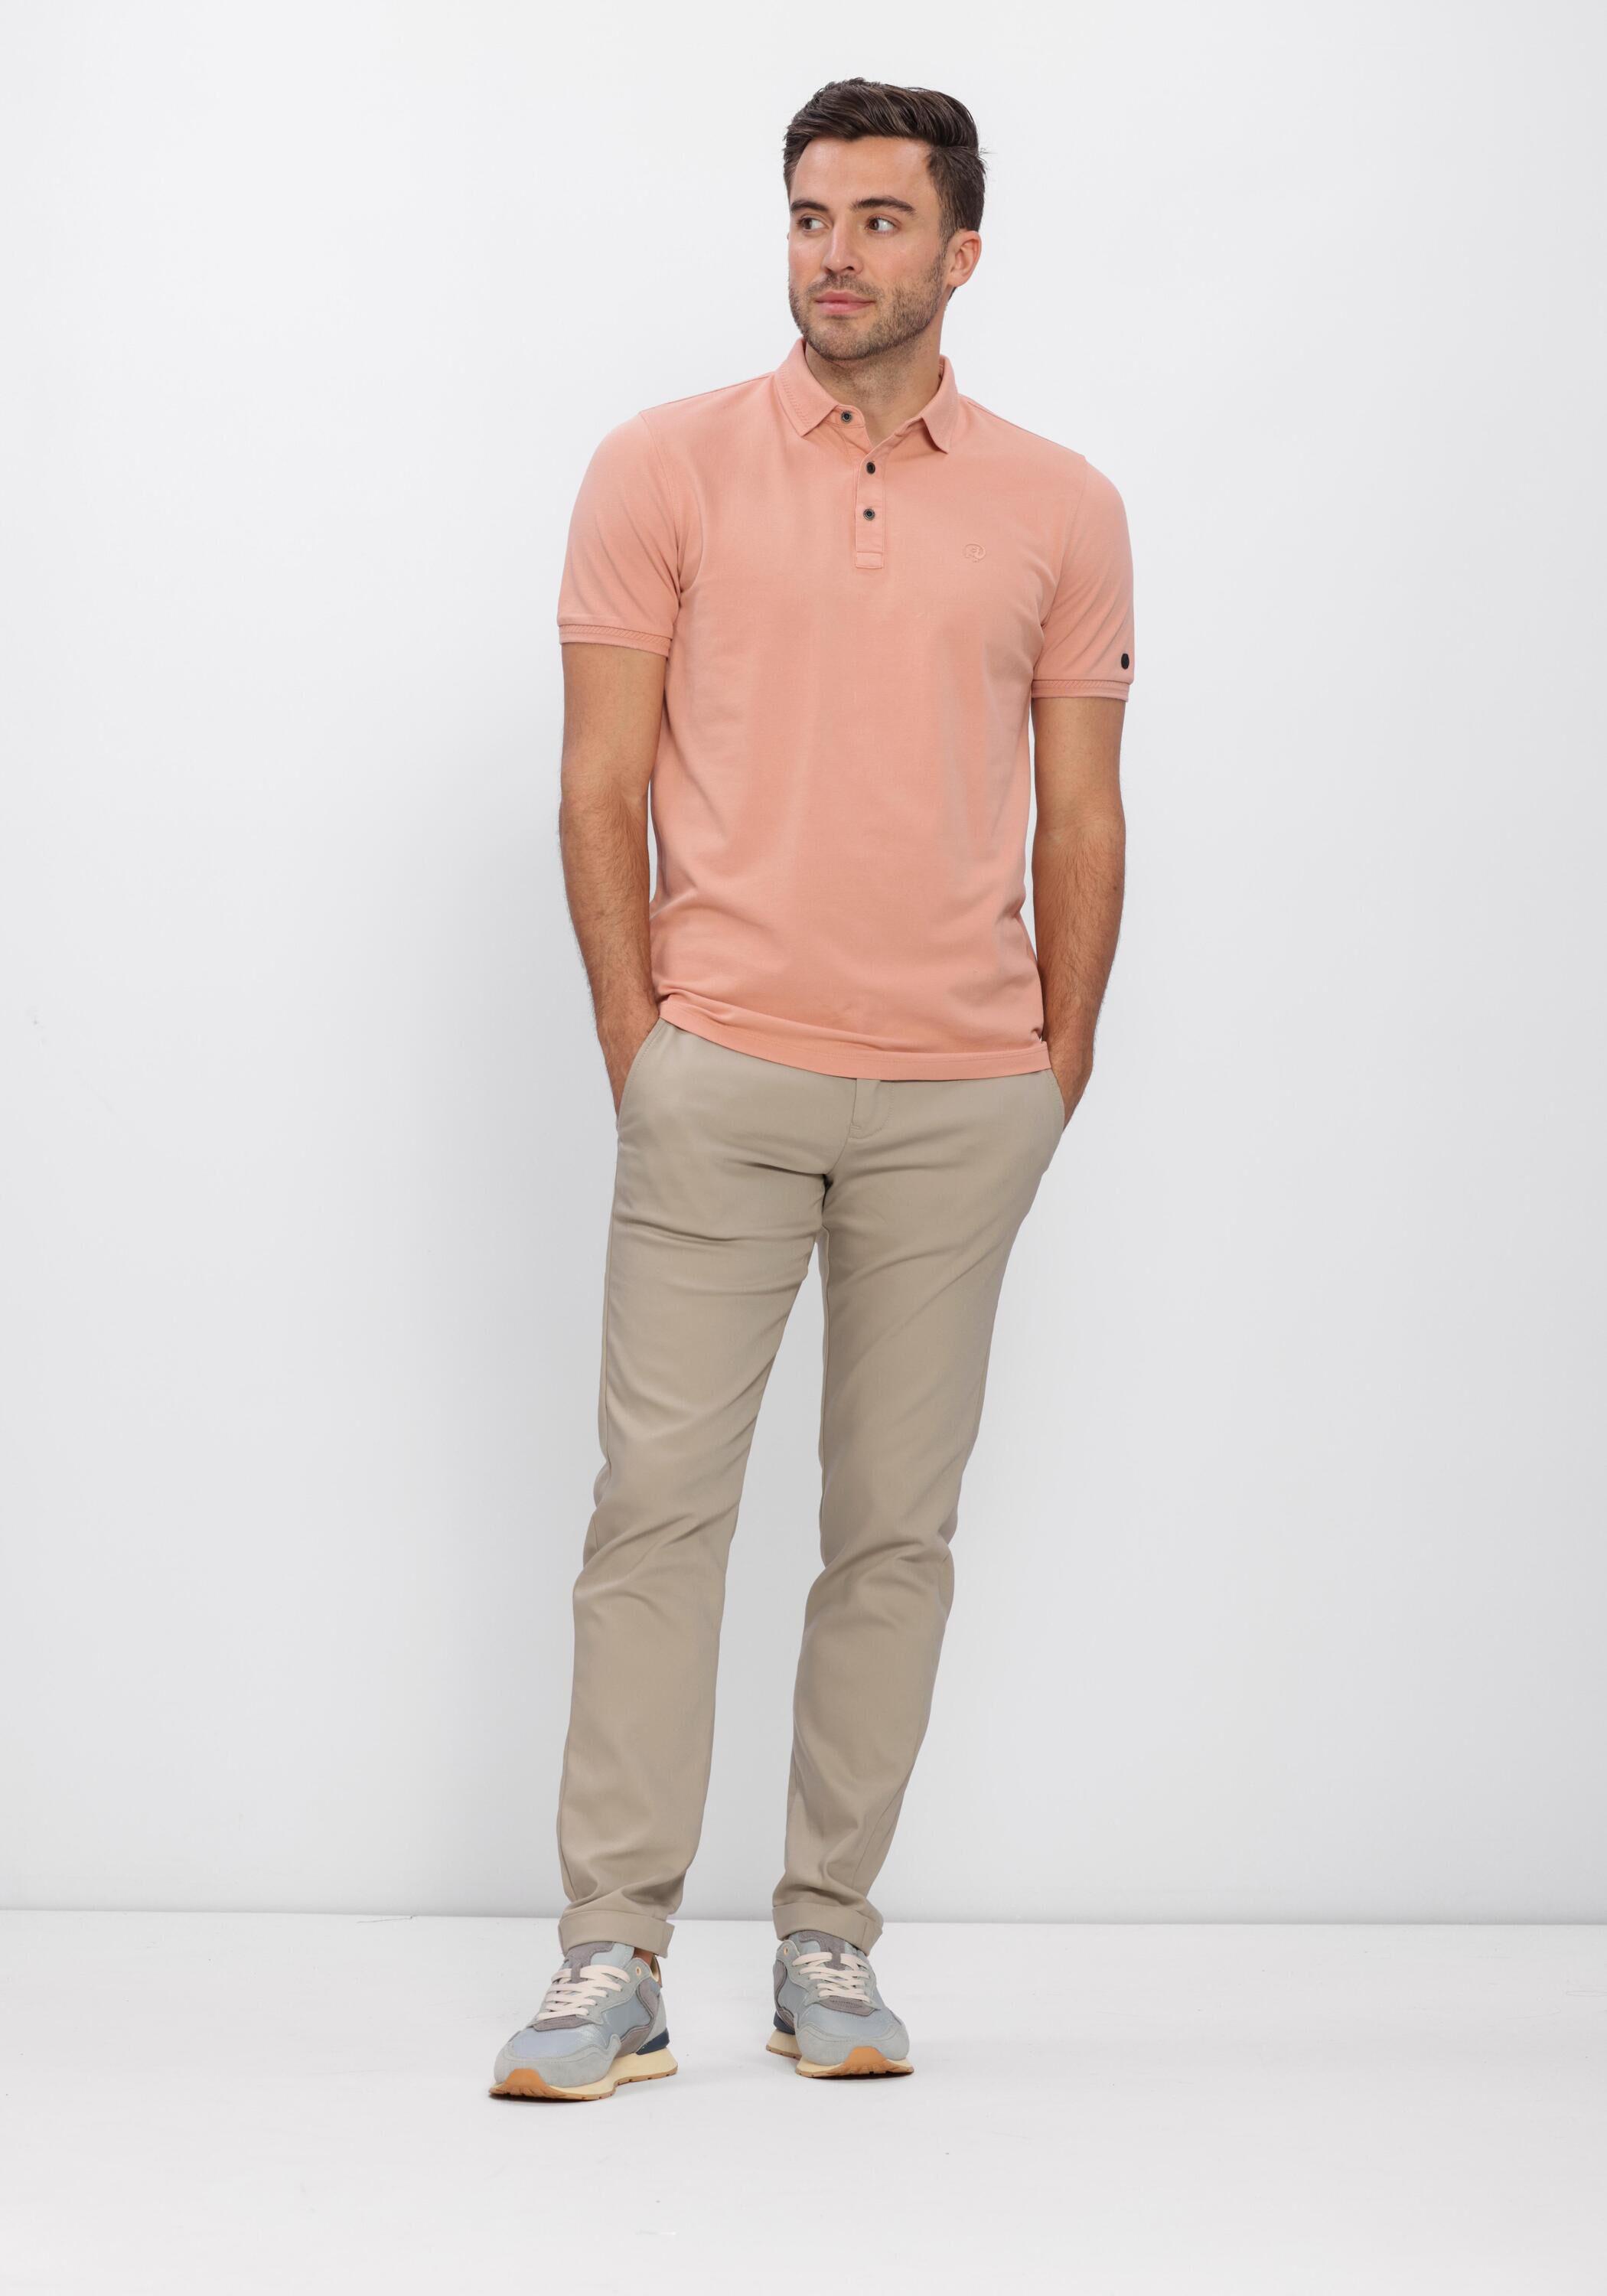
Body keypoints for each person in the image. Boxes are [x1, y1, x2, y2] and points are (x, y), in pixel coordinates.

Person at [491, 74, 1134, 2102]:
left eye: (876, 220)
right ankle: (610, 1957)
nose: (832, 256)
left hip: (961, 1094)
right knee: (655, 1515)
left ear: (959, 253)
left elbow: (1083, 813)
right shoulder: (659, 468)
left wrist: (1051, 1070)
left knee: (892, 1536)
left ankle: (826, 1941)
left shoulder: (1061, 506)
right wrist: (645, 1051)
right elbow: (597, 784)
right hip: (721, 1073)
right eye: (807, 216)